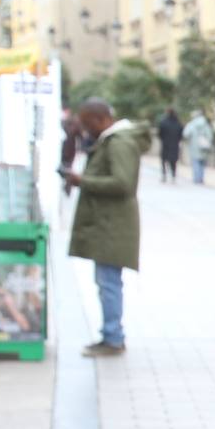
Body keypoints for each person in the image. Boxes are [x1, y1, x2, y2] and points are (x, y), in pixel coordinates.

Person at [62, 98, 150, 356]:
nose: (86, 130)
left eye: (87, 124)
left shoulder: (119, 143)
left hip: (112, 225)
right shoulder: (113, 141)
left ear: (100, 119)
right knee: (107, 282)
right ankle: (111, 335)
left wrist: (83, 181)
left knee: (108, 283)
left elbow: (123, 183)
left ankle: (113, 338)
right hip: (109, 223)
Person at [183, 110, 214, 184]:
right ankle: (201, 178)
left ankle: (196, 178)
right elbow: (210, 136)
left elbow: (186, 134)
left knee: (195, 162)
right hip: (204, 147)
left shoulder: (191, 124)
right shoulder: (205, 124)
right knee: (202, 163)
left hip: (194, 146)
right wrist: (206, 141)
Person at [156, 107, 183, 183]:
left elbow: (160, 134)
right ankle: (173, 175)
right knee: (173, 161)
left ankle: (164, 174)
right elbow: (181, 135)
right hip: (175, 144)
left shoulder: (163, 122)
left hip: (165, 144)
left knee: (164, 160)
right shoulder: (178, 123)